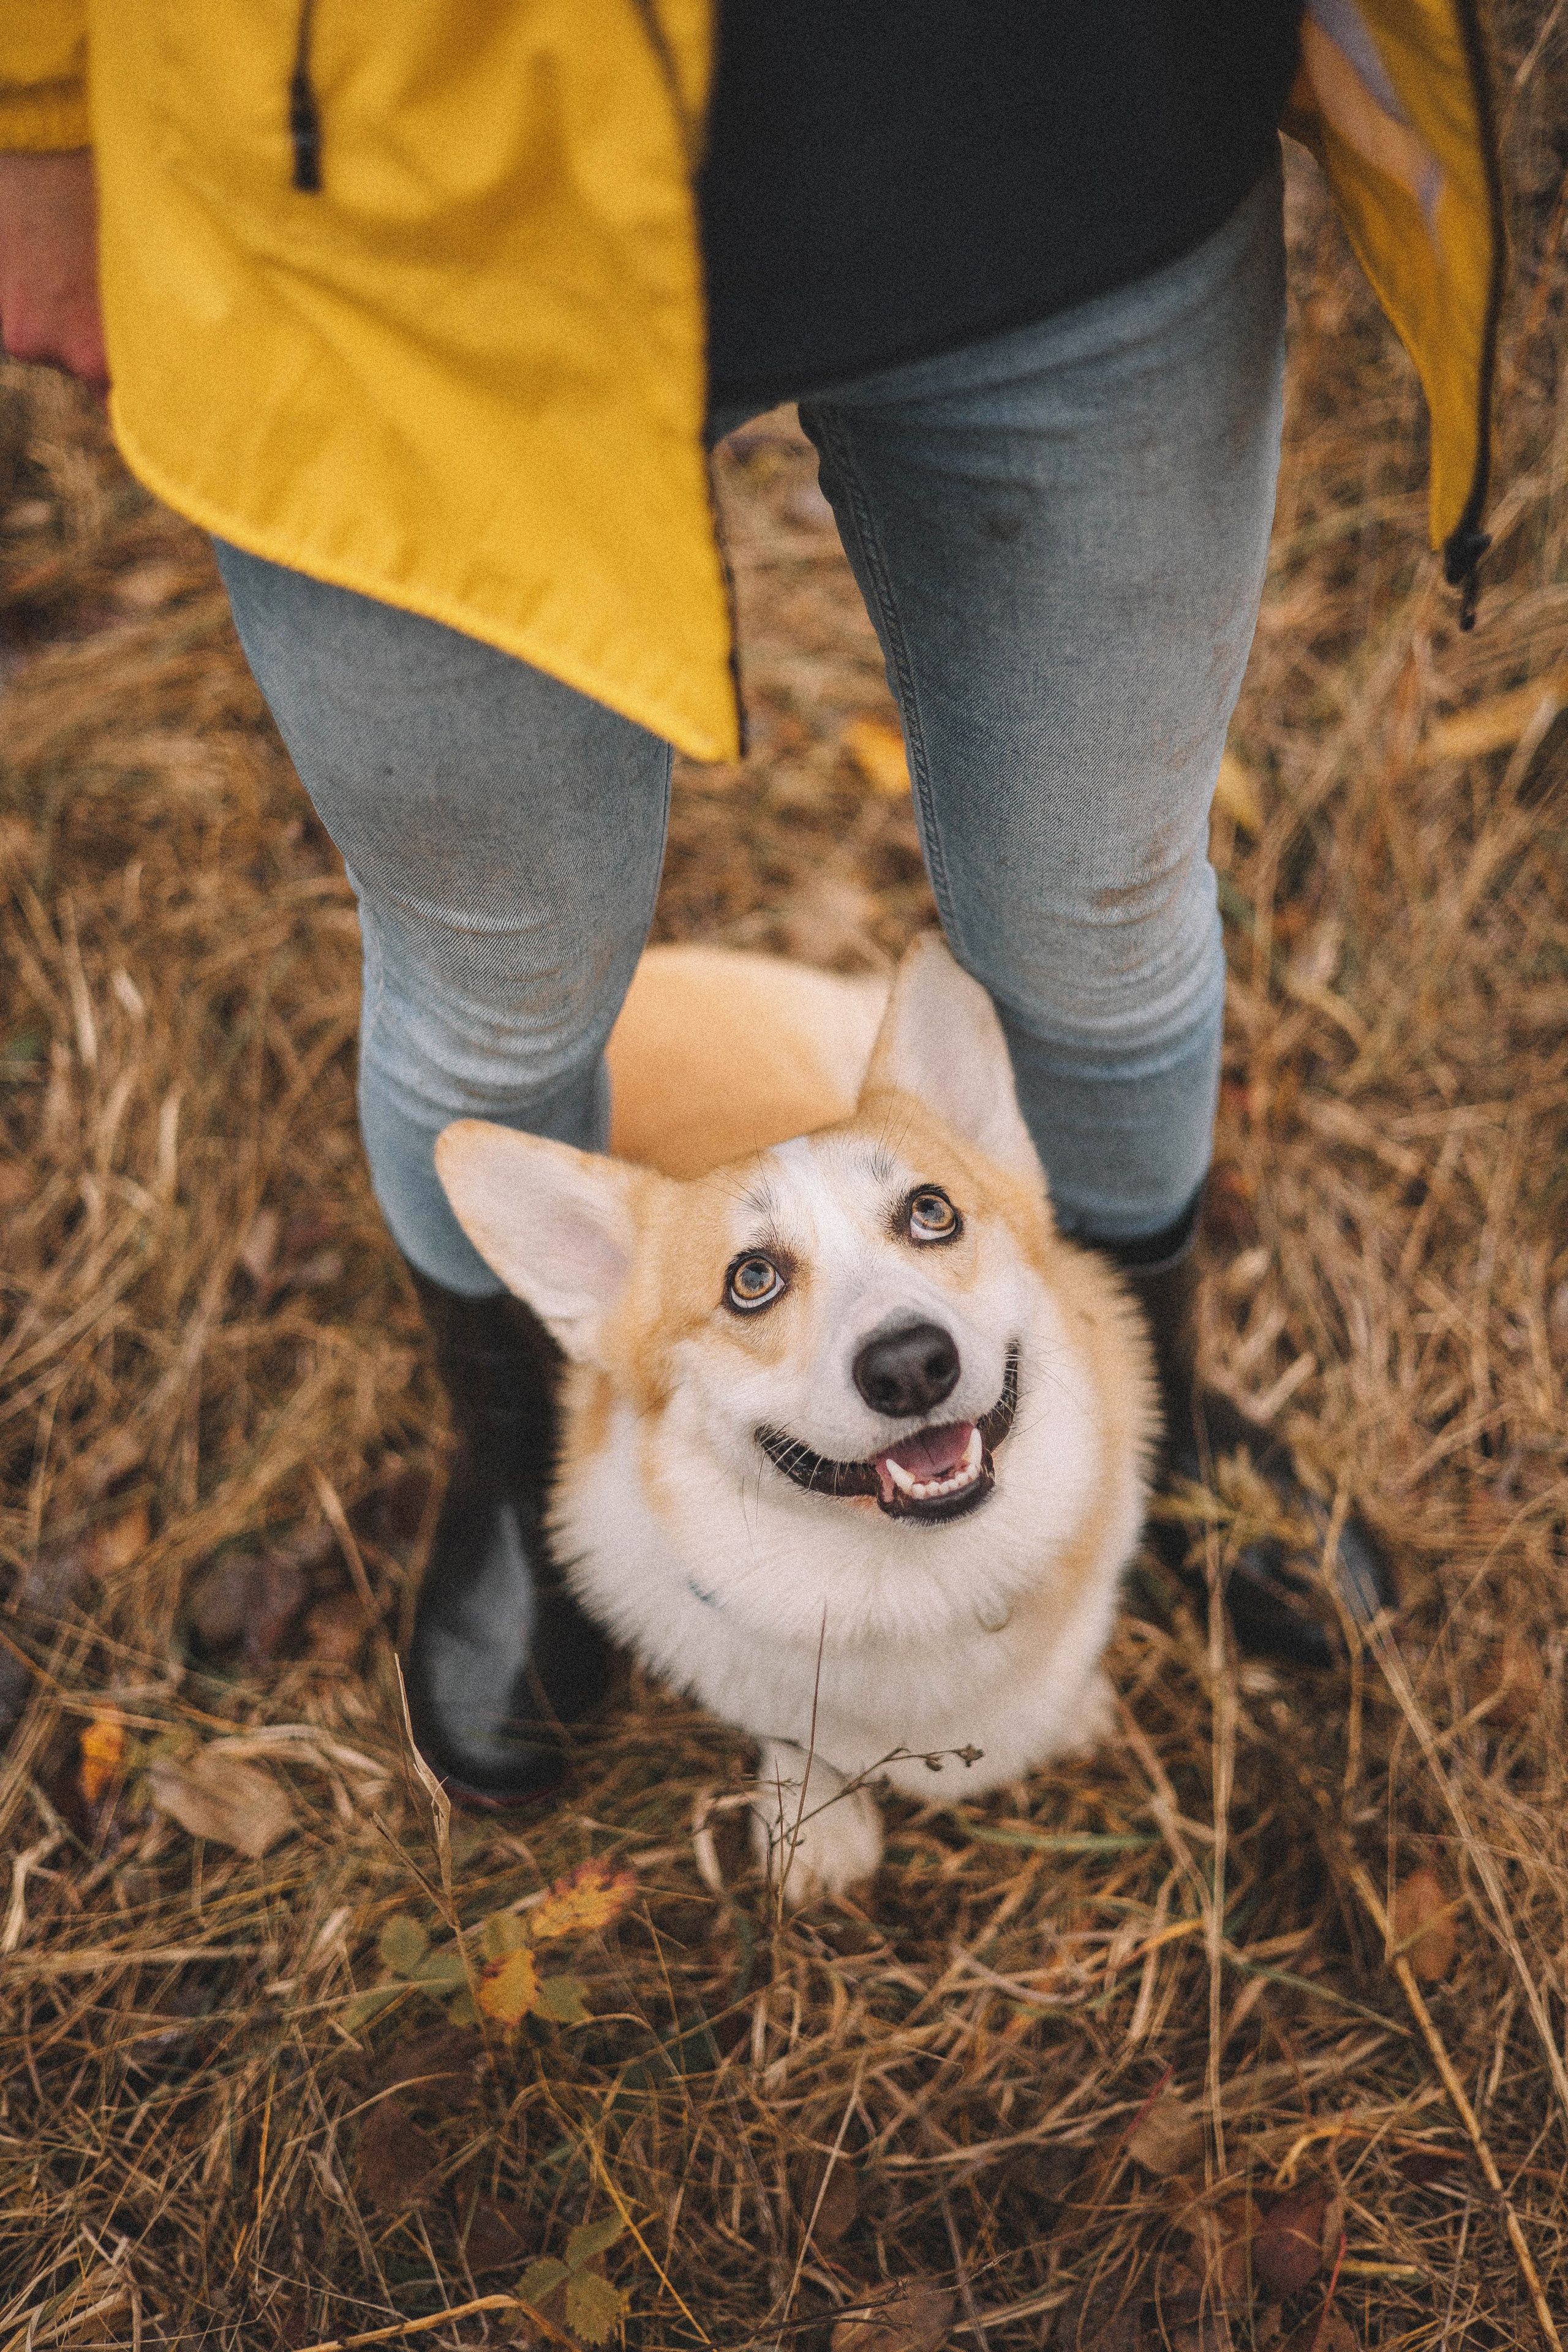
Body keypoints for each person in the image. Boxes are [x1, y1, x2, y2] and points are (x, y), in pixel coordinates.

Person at [0, 3, 1502, 1804]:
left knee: (1100, 910)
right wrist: (30, 103)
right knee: (499, 996)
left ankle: (1141, 1412)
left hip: (1078, 129)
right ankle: (527, 1479)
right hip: (392, 213)